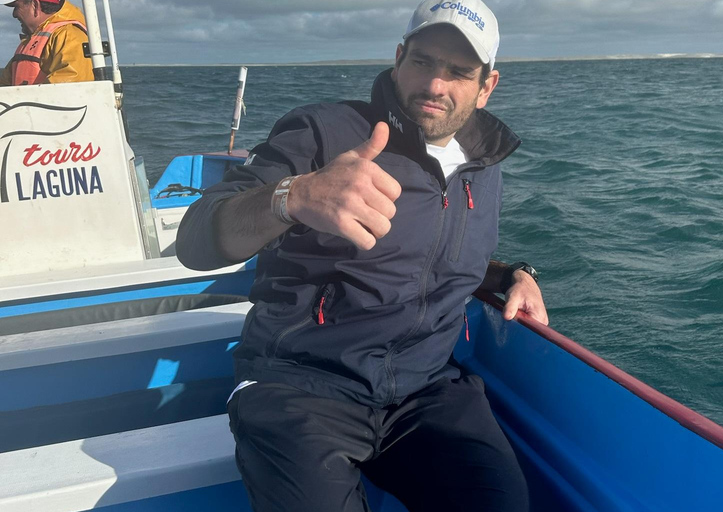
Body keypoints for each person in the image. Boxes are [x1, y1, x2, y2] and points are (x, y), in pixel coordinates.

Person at [177, 0, 548, 510]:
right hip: (301, 385)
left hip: (427, 390)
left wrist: (512, 275)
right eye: (422, 62)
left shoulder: (483, 168)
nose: (435, 85)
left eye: (458, 72)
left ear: (487, 85)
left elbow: (433, 256)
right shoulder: (323, 132)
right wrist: (295, 197)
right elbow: (195, 239)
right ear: (398, 58)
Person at [0, 0, 93, 86]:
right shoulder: (30, 41)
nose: (14, 14)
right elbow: (4, 83)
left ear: (35, 5)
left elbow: (73, 83)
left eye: (16, 7)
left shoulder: (69, 35)